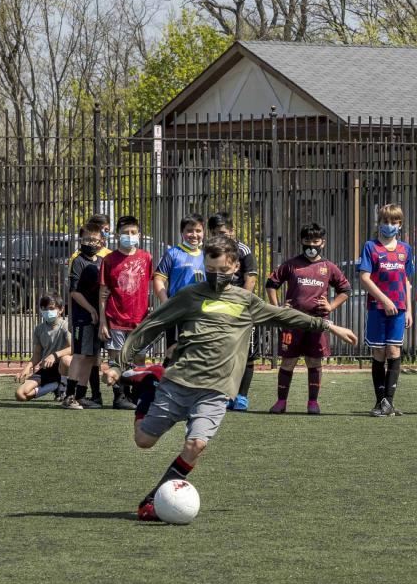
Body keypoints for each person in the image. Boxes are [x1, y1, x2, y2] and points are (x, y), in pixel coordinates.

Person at [105, 235, 358, 521]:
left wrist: (328, 326)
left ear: (235, 267)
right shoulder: (190, 295)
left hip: (215, 390)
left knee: (196, 445)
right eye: (210, 270)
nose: (216, 276)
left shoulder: (246, 301)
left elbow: (285, 316)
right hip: (178, 382)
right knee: (143, 441)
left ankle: (154, 498)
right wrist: (119, 364)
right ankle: (149, 383)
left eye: (223, 271)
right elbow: (151, 326)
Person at [264, 223, 351, 415]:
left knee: (314, 362)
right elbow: (271, 284)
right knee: (288, 362)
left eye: (315, 241)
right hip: (292, 323)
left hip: (317, 324)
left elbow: (345, 290)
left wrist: (331, 306)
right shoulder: (291, 264)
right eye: (307, 241)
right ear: (301, 242)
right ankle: (281, 402)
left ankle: (312, 402)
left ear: (323, 243)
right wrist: (279, 309)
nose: (311, 245)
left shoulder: (328, 267)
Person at [358, 203, 414, 417]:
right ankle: (379, 402)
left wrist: (408, 310)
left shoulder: (405, 250)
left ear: (399, 224)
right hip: (377, 308)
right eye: (385, 221)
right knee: (379, 352)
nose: (389, 225)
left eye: (393, 222)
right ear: (379, 223)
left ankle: (388, 403)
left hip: (399, 309)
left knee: (394, 351)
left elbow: (407, 281)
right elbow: (364, 278)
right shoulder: (370, 247)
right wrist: (384, 299)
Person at [99, 214, 152, 409]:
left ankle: (137, 395)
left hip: (140, 319)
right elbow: (103, 292)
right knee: (116, 358)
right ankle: (120, 396)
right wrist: (103, 321)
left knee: (139, 358)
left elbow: (155, 284)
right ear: (117, 235)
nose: (129, 236)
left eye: (133, 232)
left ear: (139, 234)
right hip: (115, 318)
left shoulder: (146, 257)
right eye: (125, 233)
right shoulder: (109, 260)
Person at [208, 211, 258, 411]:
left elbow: (251, 278)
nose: (220, 236)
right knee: (221, 352)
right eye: (215, 232)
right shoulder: (210, 250)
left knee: (246, 353)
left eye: (223, 232)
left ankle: (242, 397)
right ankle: (225, 394)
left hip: (240, 308)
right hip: (216, 307)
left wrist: (240, 304)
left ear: (231, 231)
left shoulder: (243, 250)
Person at [61, 216, 109, 409]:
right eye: (88, 239)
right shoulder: (78, 261)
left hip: (97, 317)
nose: (91, 243)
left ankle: (81, 395)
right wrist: (89, 310)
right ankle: (69, 395)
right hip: (83, 317)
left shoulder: (102, 261)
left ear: (101, 242)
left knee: (92, 356)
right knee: (80, 355)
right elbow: (74, 292)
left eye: (95, 240)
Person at [152, 213, 206, 359]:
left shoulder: (208, 255)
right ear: (182, 232)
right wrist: (167, 304)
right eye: (189, 230)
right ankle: (166, 380)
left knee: (197, 352)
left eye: (198, 231)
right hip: (176, 311)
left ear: (203, 232)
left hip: (201, 312)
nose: (194, 235)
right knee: (173, 352)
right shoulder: (173, 253)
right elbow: (158, 279)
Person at [14, 293, 73, 401]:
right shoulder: (39, 329)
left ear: (60, 310)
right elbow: (37, 354)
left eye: (51, 308)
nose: (47, 312)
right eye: (44, 309)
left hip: (62, 367)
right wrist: (27, 368)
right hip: (47, 369)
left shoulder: (65, 326)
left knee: (66, 360)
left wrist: (55, 355)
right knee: (20, 394)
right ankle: (54, 386)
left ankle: (64, 389)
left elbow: (73, 348)